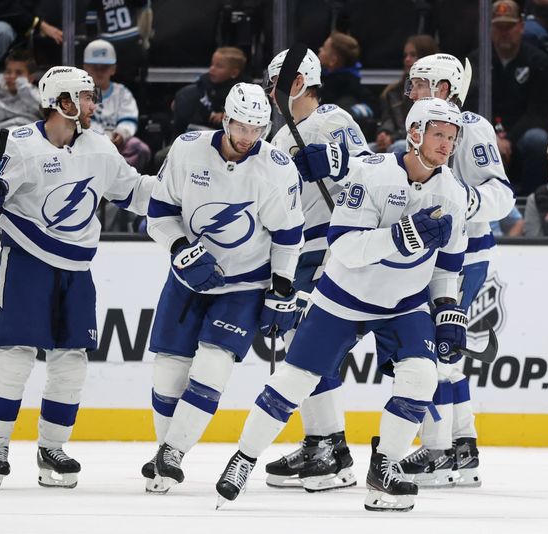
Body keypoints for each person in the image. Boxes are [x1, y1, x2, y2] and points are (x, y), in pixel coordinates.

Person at [215, 97, 468, 513]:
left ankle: (384, 467)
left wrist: (446, 311)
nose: (446, 145)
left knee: (421, 378)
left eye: (452, 138)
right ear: (416, 132)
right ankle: (242, 458)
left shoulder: (454, 194)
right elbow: (344, 246)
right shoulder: (372, 173)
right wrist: (400, 236)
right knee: (293, 383)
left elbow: (446, 269)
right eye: (439, 134)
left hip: (403, 304)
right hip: (342, 298)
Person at [0, 66, 156, 490]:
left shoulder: (101, 149)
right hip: (27, 261)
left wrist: (183, 191)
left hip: (77, 269)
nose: (93, 104)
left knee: (72, 361)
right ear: (63, 101)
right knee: (15, 355)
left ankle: (53, 447)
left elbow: (136, 193)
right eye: (85, 97)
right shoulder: (20, 145)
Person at [142, 82, 305, 494]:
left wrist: (281, 288)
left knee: (213, 366)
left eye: (257, 129)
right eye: (242, 127)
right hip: (187, 278)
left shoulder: (277, 167)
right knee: (168, 374)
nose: (249, 137)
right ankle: (165, 451)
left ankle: (173, 453)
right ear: (226, 120)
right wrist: (180, 249)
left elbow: (288, 235)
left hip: (245, 283)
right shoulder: (187, 148)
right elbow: (158, 214)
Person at [401, 53, 515, 488]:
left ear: (444, 88)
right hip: (439, 255)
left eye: (418, 83)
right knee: (446, 358)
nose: (410, 91)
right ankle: (461, 448)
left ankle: (439, 451)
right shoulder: (422, 127)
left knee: (433, 354)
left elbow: (501, 196)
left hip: (465, 256)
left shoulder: (472, 126)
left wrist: (459, 201)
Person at [259, 47, 369, 492]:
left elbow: (369, 174)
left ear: (297, 83)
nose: (269, 93)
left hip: (331, 248)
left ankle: (330, 449)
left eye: (274, 84)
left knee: (307, 346)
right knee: (300, 346)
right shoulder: (282, 136)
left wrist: (335, 163)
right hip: (303, 251)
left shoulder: (332, 120)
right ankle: (323, 444)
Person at [467, 0, 548, 195]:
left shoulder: (538, 61)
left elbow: (538, 112)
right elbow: (470, 108)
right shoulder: (475, 62)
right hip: (485, 132)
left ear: (521, 27)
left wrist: (509, 139)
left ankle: (534, 197)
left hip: (522, 131)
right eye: (499, 27)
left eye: (510, 27)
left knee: (537, 139)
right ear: (490, 29)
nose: (504, 32)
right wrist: (491, 137)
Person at [83, 39, 151, 172]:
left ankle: (120, 178)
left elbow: (128, 120)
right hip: (89, 144)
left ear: (113, 69)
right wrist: (101, 139)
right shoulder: (79, 93)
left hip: (117, 144)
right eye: (94, 67)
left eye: (104, 67)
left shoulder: (122, 93)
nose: (99, 71)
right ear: (85, 67)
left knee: (140, 148)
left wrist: (121, 134)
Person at [374, 35, 438, 155]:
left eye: (413, 55)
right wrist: (384, 133)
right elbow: (388, 119)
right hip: (394, 139)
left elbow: (422, 126)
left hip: (420, 141)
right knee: (366, 150)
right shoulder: (392, 91)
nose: (407, 60)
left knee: (398, 148)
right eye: (405, 55)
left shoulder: (434, 91)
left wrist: (392, 138)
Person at [171, 47, 249, 137]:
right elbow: (192, 95)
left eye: (219, 66)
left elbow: (245, 115)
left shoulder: (243, 91)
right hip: (196, 128)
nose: (212, 69)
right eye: (212, 64)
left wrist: (228, 116)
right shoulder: (205, 82)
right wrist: (180, 102)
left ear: (234, 73)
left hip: (222, 135)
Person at [318, 31, 377, 121]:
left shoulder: (349, 85)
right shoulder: (322, 78)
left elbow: (373, 106)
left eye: (324, 48)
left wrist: (352, 112)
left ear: (333, 60)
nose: (320, 49)